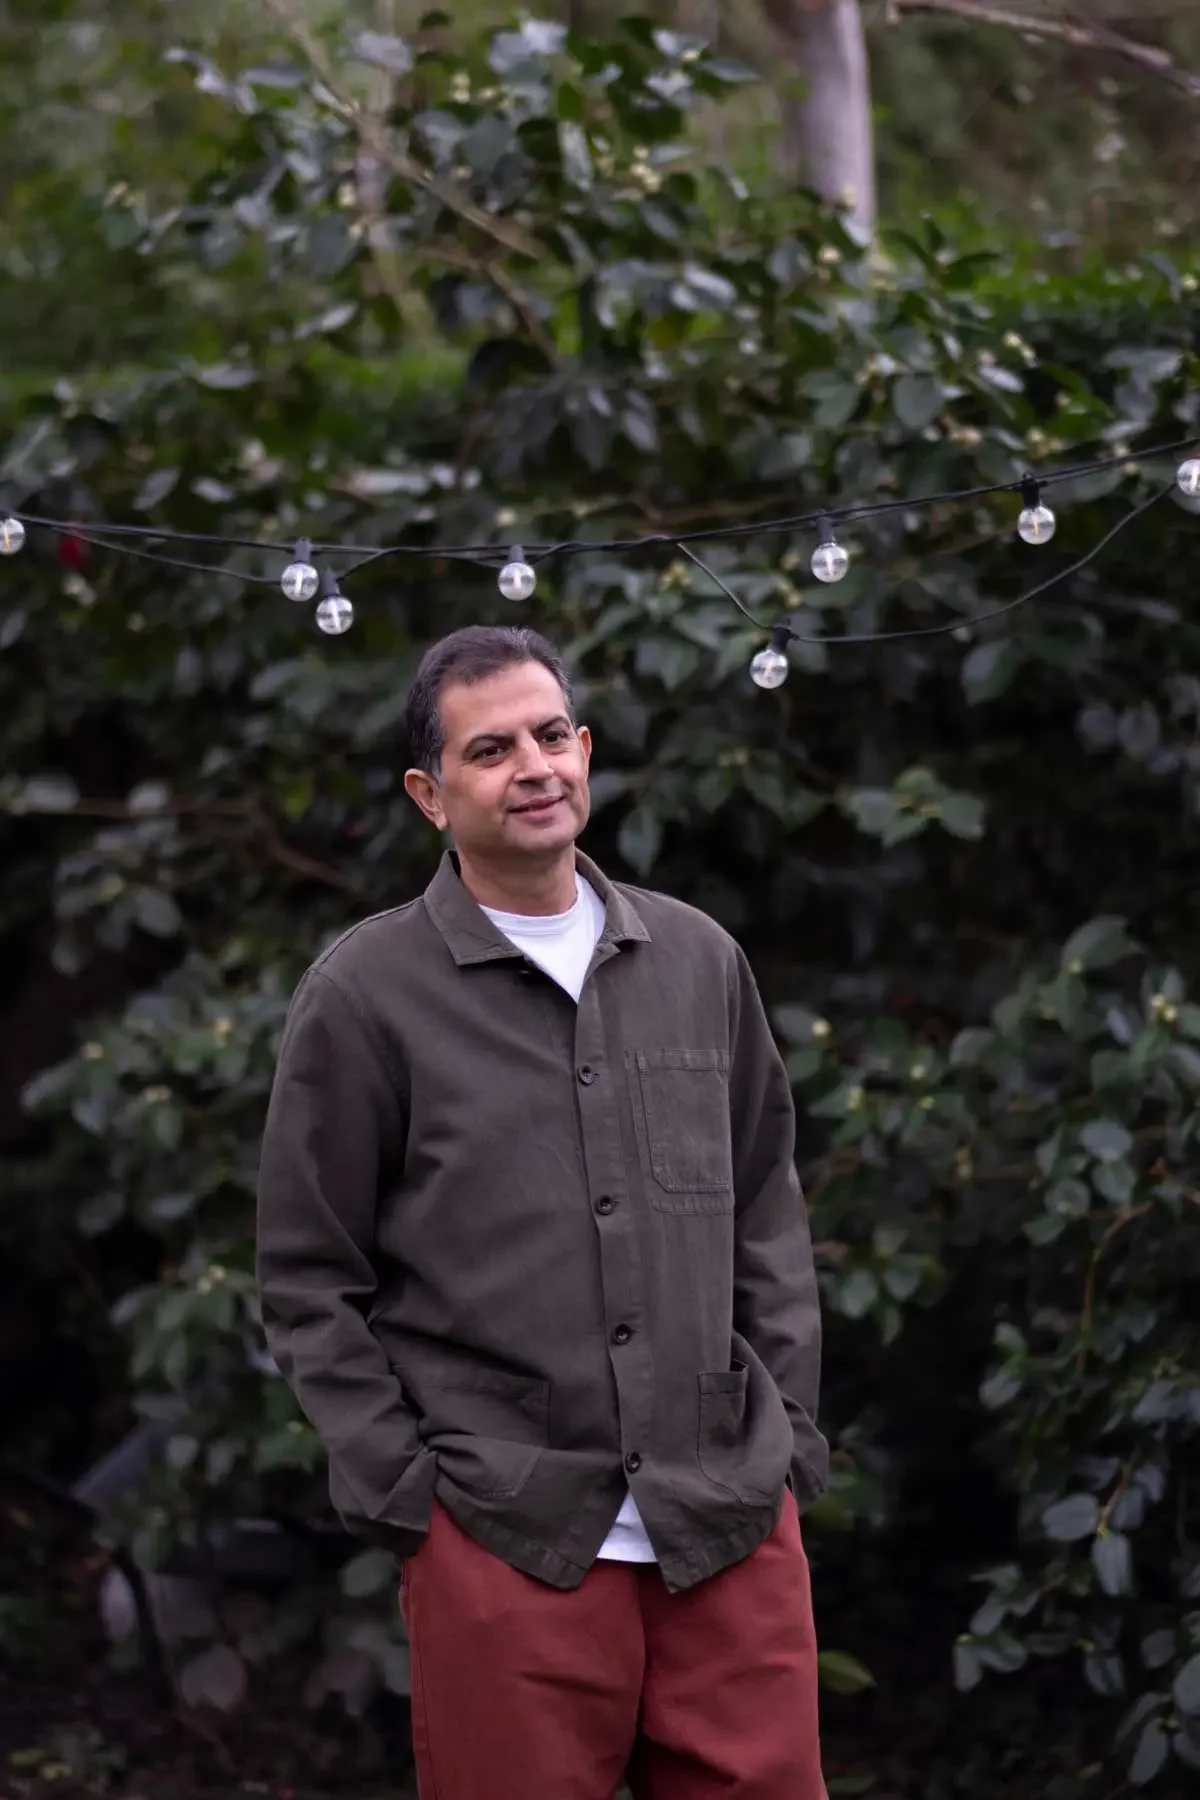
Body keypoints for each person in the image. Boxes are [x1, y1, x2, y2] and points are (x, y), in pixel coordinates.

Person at [256, 624, 831, 1800]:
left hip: (723, 1519)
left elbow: (767, 1206)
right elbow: (311, 1272)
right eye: (491, 749)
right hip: (505, 1532)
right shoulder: (366, 998)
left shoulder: (698, 961)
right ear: (430, 793)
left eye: (553, 734)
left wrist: (790, 1446)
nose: (536, 766)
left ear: (585, 748)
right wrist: (404, 1493)